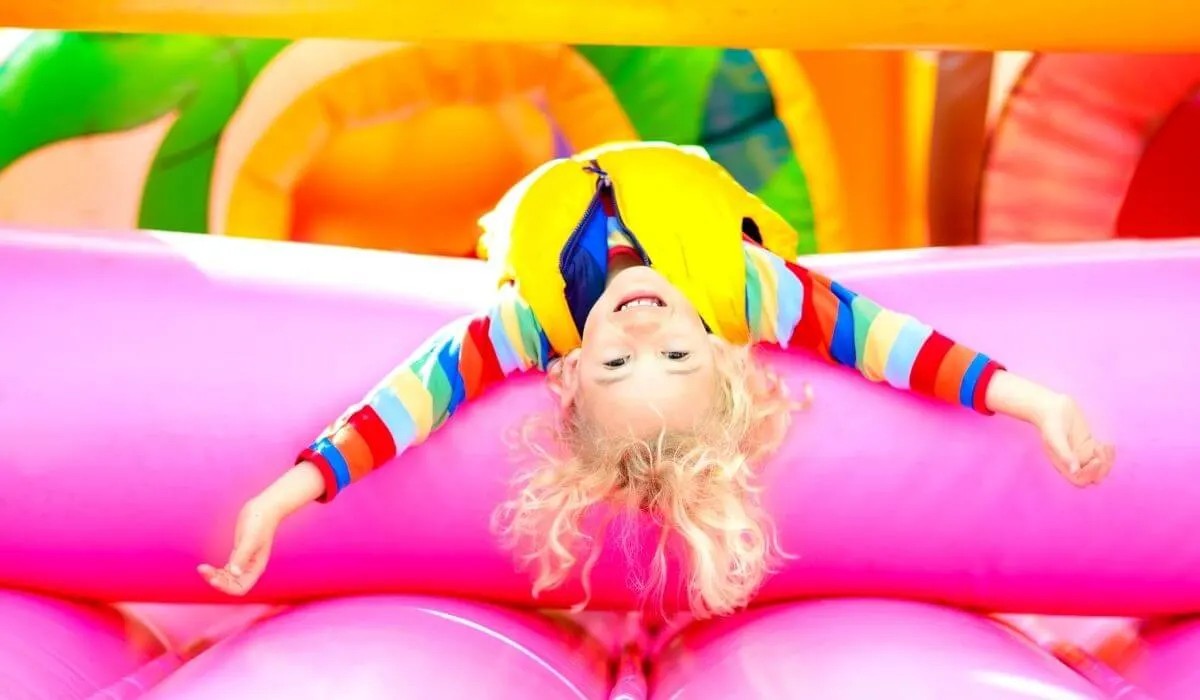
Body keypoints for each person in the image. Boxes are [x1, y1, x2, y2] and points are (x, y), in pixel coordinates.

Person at [199, 142, 1114, 617]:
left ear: (565, 375)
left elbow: (414, 397)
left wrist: (284, 495)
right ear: (720, 353)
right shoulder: (752, 294)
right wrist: (1033, 400)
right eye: (674, 355)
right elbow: (896, 346)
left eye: (616, 363)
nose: (644, 331)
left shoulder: (533, 322)